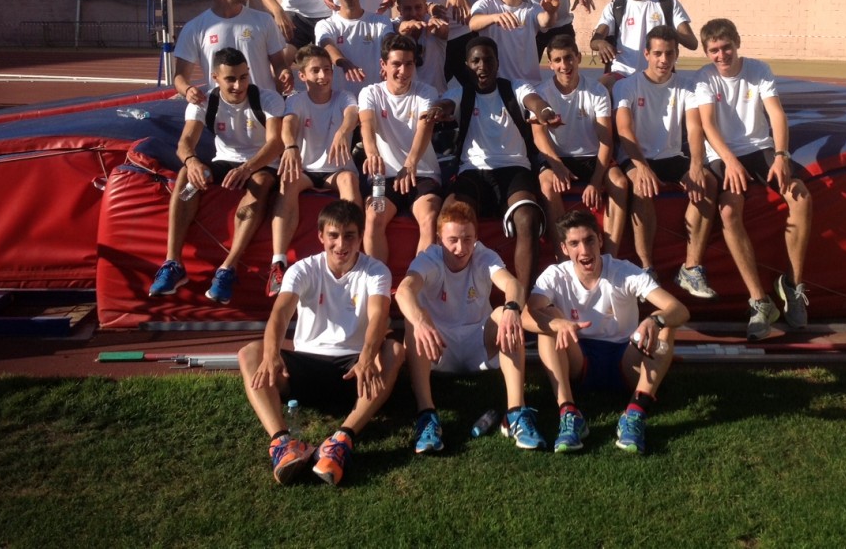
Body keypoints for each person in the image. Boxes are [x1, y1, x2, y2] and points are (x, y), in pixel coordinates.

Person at [238, 200, 405, 486]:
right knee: (250, 353)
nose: (341, 244)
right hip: (306, 366)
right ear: (321, 236)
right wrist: (271, 355)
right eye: (333, 236)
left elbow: (379, 316)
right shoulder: (302, 269)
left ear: (360, 237)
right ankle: (282, 443)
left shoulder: (376, 271)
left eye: (349, 236)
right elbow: (280, 313)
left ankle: (342, 440)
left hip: (355, 370)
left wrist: (366, 358)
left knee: (395, 350)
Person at [525, 209, 690, 454]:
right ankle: (569, 413)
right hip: (579, 360)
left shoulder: (625, 271)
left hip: (626, 358)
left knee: (665, 324)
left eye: (589, 240)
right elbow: (526, 315)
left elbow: (679, 309)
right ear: (564, 248)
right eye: (575, 243)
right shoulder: (556, 275)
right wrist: (556, 324)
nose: (584, 250)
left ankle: (635, 413)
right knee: (548, 319)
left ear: (600, 240)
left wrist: (655, 320)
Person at [694, 18, 813, 340]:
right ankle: (759, 301)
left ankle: (793, 284)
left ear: (737, 43)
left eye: (726, 47)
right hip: (723, 154)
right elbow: (707, 125)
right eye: (714, 50)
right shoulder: (704, 78)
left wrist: (781, 155)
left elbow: (776, 113)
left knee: (801, 197)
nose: (721, 55)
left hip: (759, 148)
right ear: (706, 52)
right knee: (729, 212)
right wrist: (730, 161)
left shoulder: (759, 69)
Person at [395, 202, 546, 452]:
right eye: (452, 240)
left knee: (505, 314)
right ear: (439, 239)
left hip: (478, 341)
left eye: (467, 239)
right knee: (414, 320)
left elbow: (513, 285)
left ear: (476, 237)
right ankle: (426, 415)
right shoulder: (429, 258)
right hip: (438, 344)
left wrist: (512, 308)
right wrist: (420, 320)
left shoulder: (483, 256)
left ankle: (515, 412)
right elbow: (403, 291)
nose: (461, 248)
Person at [149, 47, 284, 305]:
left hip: (261, 163)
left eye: (243, 77)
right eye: (230, 79)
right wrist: (192, 162)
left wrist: (247, 168)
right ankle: (173, 263)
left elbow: (275, 143)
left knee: (261, 182)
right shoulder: (204, 101)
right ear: (215, 78)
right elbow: (184, 143)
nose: (238, 85)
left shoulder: (267, 99)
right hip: (224, 162)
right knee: (186, 176)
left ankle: (227, 268)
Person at [435, 36, 560, 297]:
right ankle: (451, 294)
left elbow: (534, 101)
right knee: (451, 216)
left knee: (527, 217)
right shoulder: (460, 93)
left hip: (514, 168)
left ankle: (522, 300)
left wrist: (545, 112)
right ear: (467, 65)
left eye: (488, 60)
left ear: (497, 63)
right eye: (476, 61)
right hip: (473, 170)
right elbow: (446, 104)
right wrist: (438, 109)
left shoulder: (515, 88)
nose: (482, 66)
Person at [614, 26, 718, 297]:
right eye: (658, 53)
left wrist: (697, 165)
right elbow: (624, 129)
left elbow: (695, 129)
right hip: (636, 156)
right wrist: (642, 167)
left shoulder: (686, 86)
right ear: (646, 54)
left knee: (707, 182)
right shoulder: (626, 85)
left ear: (676, 55)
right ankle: (646, 269)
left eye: (669, 53)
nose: (663, 60)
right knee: (641, 186)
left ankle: (691, 268)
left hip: (671, 156)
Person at [266, 45, 362, 297]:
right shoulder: (296, 100)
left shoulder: (344, 97)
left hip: (336, 170)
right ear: (303, 76)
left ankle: (355, 255)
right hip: (307, 169)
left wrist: (343, 131)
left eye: (327, 70)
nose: (323, 76)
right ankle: (278, 263)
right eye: (316, 71)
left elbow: (352, 115)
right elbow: (289, 124)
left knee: (349, 180)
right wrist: (290, 146)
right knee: (288, 180)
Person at [532, 34, 628, 258]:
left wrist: (595, 181)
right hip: (558, 157)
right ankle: (563, 258)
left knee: (620, 182)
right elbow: (538, 136)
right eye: (557, 60)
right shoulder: (540, 93)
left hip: (592, 156)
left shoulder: (597, 91)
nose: (564, 65)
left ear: (578, 58)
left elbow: (606, 140)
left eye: (568, 58)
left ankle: (610, 257)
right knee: (547, 185)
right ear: (550, 64)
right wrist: (557, 166)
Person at [358, 33, 443, 263]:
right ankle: (378, 279)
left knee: (430, 218)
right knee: (373, 216)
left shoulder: (426, 92)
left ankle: (419, 280)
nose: (403, 71)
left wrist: (410, 164)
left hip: (422, 173)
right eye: (396, 64)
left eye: (409, 64)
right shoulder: (370, 93)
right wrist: (372, 153)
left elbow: (425, 127)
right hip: (381, 177)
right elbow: (367, 124)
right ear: (383, 65)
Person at [173, 0, 293, 106]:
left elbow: (280, 64)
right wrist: (188, 90)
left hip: (264, 110)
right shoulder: (195, 28)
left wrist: (284, 73)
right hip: (223, 114)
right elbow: (180, 78)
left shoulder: (264, 20)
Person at [589, 0, 697, 90]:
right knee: (598, 89)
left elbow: (692, 43)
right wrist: (601, 43)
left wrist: (670, 33)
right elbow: (595, 40)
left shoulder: (668, 4)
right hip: (623, 73)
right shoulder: (615, 8)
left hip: (658, 75)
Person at [468, 0, 558, 86]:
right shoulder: (486, 5)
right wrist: (494, 17)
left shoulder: (532, 9)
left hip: (529, 84)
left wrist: (551, 11)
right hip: (497, 85)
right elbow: (473, 23)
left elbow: (546, 21)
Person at [314, 0, 395, 99]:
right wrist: (343, 62)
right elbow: (326, 45)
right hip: (342, 104)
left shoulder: (381, 21)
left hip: (376, 102)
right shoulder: (325, 25)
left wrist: (389, 59)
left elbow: (390, 43)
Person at [394, 0, 450, 95]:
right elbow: (397, 29)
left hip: (437, 96)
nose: (413, 13)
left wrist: (436, 28)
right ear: (399, 10)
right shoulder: (393, 26)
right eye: (408, 9)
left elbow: (443, 30)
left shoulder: (433, 22)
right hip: (407, 99)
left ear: (425, 7)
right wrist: (404, 30)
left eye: (418, 7)